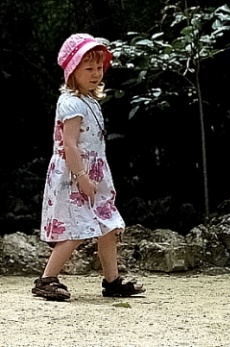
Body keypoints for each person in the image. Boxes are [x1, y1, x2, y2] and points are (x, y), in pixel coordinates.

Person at [32, 33, 145, 301]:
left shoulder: (90, 100)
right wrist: (81, 176)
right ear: (72, 70)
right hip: (74, 176)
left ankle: (112, 280)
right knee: (75, 228)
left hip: (94, 174)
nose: (96, 74)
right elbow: (69, 145)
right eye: (88, 68)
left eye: (99, 68)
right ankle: (46, 279)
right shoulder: (70, 103)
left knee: (107, 225)